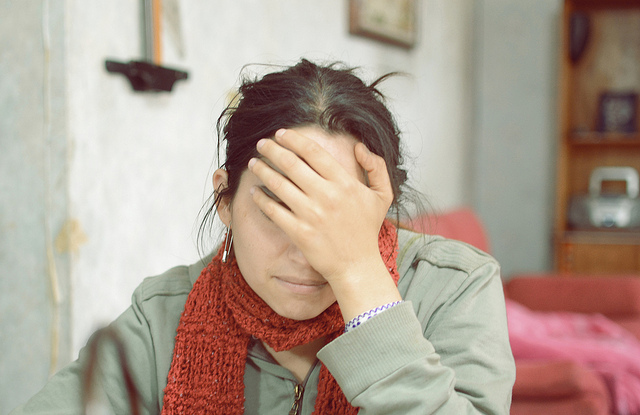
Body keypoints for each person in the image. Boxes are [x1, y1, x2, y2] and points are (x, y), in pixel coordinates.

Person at [10, 59, 515, 415]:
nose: (306, 253)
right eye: (279, 210)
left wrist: (360, 275)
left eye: (333, 216)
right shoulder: (163, 313)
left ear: (380, 205)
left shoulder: (456, 287)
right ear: (226, 200)